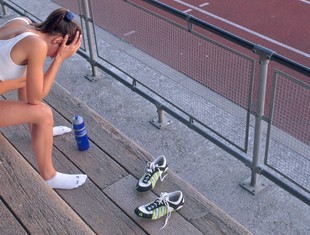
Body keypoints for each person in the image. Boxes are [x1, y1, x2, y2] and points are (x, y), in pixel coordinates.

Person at [0, 8, 87, 189]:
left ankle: (39, 131)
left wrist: (22, 81)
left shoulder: (21, 22)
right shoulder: (37, 45)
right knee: (44, 113)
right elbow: (35, 98)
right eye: (58, 50)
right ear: (57, 40)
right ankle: (49, 176)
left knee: (27, 81)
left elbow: (28, 86)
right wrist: (59, 60)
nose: (53, 55)